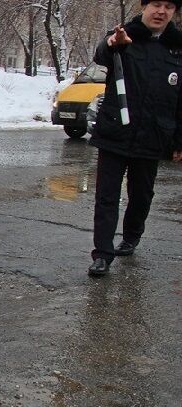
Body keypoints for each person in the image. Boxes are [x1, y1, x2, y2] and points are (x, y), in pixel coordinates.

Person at [88, 0, 182, 276]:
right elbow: (102, 54)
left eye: (169, 6)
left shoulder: (177, 48)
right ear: (144, 7)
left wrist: (178, 141)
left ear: (175, 12)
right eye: (155, 4)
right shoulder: (123, 36)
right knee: (107, 195)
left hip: (154, 134)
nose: (161, 11)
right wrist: (112, 43)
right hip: (117, 130)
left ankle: (131, 236)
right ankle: (102, 254)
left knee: (141, 195)